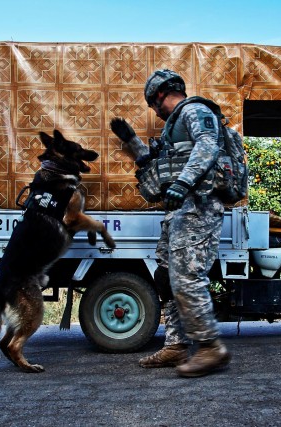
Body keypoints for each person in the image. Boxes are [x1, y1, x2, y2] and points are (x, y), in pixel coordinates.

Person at [110, 69, 230, 377]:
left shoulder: (194, 110)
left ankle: (210, 347)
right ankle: (176, 346)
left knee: (187, 276)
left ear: (160, 95)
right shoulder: (171, 129)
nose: (154, 111)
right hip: (177, 211)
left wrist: (185, 181)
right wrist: (132, 141)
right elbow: (155, 166)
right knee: (166, 278)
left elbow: (208, 144)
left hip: (198, 206)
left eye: (152, 104)